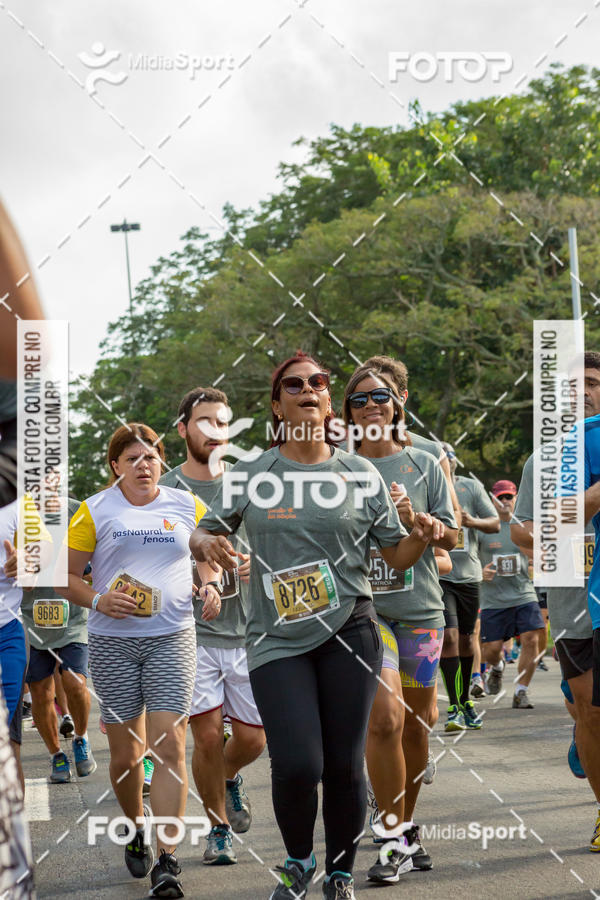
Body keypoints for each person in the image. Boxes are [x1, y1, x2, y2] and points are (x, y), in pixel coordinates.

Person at [190, 351, 440, 900]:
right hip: (275, 637)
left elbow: (396, 556)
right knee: (300, 762)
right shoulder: (253, 473)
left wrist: (420, 536)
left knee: (346, 763)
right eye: (293, 384)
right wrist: (208, 544)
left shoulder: (359, 471)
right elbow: (204, 534)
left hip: (350, 629)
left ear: (328, 401)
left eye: (318, 382)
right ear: (278, 403)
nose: (308, 388)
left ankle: (342, 873)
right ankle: (300, 861)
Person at [57, 422, 219, 899]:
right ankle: (135, 827)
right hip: (112, 643)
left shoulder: (185, 504)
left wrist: (209, 582)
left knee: (170, 744)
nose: (143, 465)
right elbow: (66, 577)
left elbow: (207, 550)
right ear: (115, 467)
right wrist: (99, 599)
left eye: (150, 457)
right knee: (128, 755)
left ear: (160, 461)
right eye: (132, 459)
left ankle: (168, 861)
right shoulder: (94, 510)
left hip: (172, 636)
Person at [342, 362, 457, 882]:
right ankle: (389, 837)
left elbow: (453, 539)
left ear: (397, 405)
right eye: (360, 400)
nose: (371, 406)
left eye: (380, 397)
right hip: (364, 613)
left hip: (421, 611)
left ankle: (405, 828)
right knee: (384, 718)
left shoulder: (426, 462)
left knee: (416, 723)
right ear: (347, 413)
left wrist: (419, 523)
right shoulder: (336, 469)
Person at [160, 387, 266, 866]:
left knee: (253, 739)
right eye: (202, 422)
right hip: (191, 633)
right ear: (183, 429)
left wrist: (254, 565)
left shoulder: (253, 482)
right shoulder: (162, 488)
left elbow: (283, 541)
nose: (213, 432)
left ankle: (226, 777)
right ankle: (218, 828)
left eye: (221, 423)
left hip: (251, 631)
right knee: (203, 738)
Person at [511, 351, 600, 851]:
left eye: (591, 382)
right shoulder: (542, 461)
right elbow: (520, 529)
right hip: (573, 608)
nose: (582, 391)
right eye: (572, 386)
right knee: (589, 712)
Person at [21, 495, 96, 783]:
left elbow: (96, 558)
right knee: (40, 692)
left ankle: (80, 737)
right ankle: (56, 755)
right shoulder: (16, 514)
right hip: (29, 616)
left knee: (75, 680)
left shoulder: (77, 510)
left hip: (73, 615)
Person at [437, 444, 500, 730]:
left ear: (454, 462)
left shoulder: (471, 488)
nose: (443, 462)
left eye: (446, 458)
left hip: (468, 576)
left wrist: (469, 521)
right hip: (439, 575)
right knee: (448, 638)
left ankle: (466, 702)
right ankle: (453, 706)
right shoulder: (425, 483)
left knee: (465, 639)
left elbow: (495, 523)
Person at [478, 481, 545, 709]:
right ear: (493, 500)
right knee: (492, 650)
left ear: (515, 499)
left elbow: (540, 553)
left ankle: (521, 690)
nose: (505, 502)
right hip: (493, 599)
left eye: (509, 497)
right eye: (500, 498)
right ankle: (496, 668)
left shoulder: (524, 526)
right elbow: (468, 557)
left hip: (523, 594)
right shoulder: (485, 527)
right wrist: (480, 572)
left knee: (532, 638)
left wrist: (538, 560)